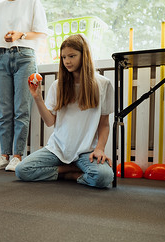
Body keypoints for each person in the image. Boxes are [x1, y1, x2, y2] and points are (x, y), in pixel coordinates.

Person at [15, 34, 114, 188]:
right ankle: (71, 172)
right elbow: (49, 121)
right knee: (22, 170)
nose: (67, 61)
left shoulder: (103, 84)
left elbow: (104, 124)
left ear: (84, 55)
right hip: (58, 149)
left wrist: (100, 148)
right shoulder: (57, 85)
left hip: (86, 151)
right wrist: (37, 97)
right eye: (63, 57)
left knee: (104, 177)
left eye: (72, 56)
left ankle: (66, 173)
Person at [0, 0, 48, 172]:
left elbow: (42, 32)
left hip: (25, 57)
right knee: (5, 111)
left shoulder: (32, 2)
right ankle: (4, 155)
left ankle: (17, 156)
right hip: (1, 60)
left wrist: (22, 34)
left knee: (21, 109)